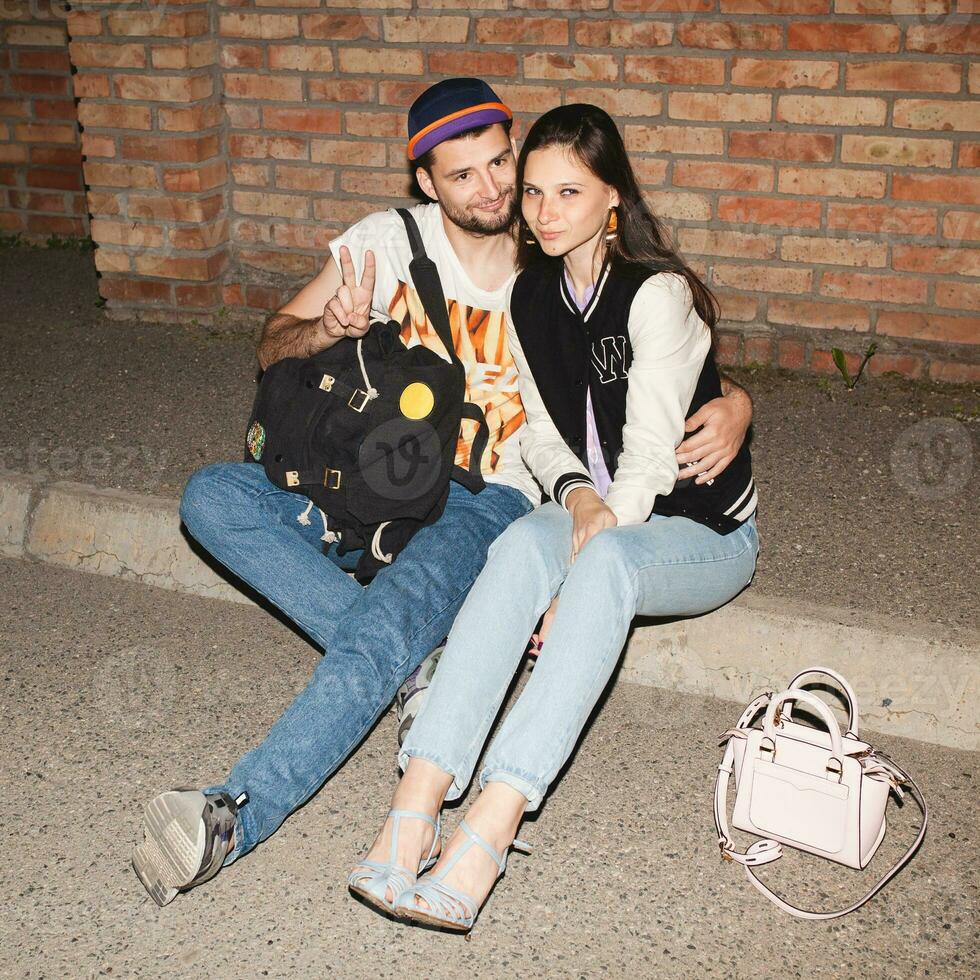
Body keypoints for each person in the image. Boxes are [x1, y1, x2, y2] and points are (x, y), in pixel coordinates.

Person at [131, 80, 752, 907]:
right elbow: (271, 343)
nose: (497, 192)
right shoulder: (386, 242)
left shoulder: (550, 249)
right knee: (211, 496)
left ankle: (236, 814)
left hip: (482, 494)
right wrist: (331, 327)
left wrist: (739, 403)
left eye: (504, 165)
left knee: (386, 623)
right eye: (466, 176)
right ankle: (415, 664)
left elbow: (651, 351)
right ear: (427, 181)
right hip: (360, 476)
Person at [349, 104, 759, 934]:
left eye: (569, 191)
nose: (543, 211)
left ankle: (493, 824)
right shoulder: (531, 293)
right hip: (596, 508)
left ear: (614, 199)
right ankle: (417, 799)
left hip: (699, 529)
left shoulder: (657, 295)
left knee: (600, 565)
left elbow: (646, 460)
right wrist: (574, 500)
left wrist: (587, 557)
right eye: (532, 191)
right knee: (517, 546)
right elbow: (538, 428)